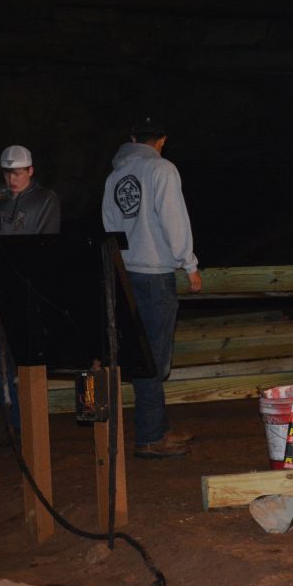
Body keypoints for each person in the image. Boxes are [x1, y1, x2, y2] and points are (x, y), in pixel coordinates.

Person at [102, 119, 201, 458]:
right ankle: (149, 437)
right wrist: (189, 264)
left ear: (132, 138)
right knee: (153, 358)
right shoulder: (162, 170)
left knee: (142, 352)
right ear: (161, 140)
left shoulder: (115, 176)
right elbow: (174, 219)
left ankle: (159, 427)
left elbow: (110, 226)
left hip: (126, 273)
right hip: (156, 273)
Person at [0, 146, 61, 432]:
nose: (12, 179)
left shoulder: (45, 199)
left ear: (30, 170)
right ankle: (19, 420)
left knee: (28, 362)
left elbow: (44, 246)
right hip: (0, 295)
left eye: (18, 173)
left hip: (29, 292)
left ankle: (30, 428)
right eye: (7, 173)